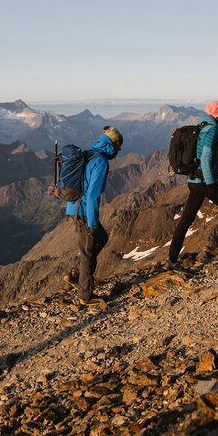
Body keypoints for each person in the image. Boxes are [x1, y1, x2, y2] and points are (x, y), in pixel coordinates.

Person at [167, 101, 218, 268]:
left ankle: (172, 260)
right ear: (217, 113)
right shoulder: (211, 130)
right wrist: (211, 183)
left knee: (185, 220)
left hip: (194, 180)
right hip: (204, 181)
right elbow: (205, 158)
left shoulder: (202, 126)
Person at [65, 126, 123, 304]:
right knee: (88, 254)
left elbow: (78, 183)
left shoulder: (89, 154)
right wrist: (92, 223)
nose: (120, 150)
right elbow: (92, 196)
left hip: (74, 207)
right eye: (119, 146)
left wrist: (70, 209)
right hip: (83, 212)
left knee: (102, 237)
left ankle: (78, 273)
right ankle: (85, 296)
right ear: (113, 144)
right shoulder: (102, 162)